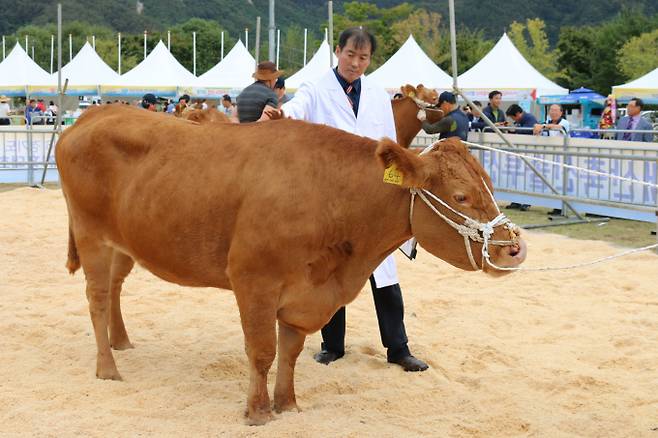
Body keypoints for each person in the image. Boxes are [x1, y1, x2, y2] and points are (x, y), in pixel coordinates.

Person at [282, 27, 428, 372]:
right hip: (330, 198)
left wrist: (397, 185)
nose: (356, 63)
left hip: (373, 198)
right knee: (333, 271)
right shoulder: (316, 88)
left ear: (369, 60)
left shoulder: (378, 93)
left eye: (363, 58)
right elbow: (296, 108)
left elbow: (390, 144)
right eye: (350, 55)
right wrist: (281, 115)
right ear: (338, 51)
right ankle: (332, 345)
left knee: (384, 274)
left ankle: (398, 348)